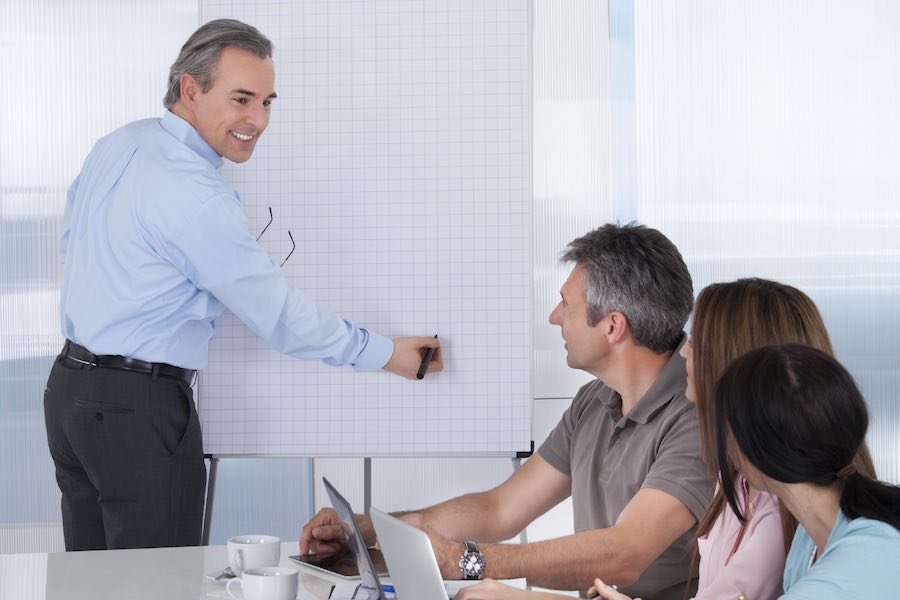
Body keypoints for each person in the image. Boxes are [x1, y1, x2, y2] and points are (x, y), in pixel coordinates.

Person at [43, 19, 442, 552]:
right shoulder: (195, 193)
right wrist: (386, 353)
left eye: (267, 101)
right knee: (160, 588)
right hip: (135, 409)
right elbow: (277, 315)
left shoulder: (120, 144)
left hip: (70, 390)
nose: (258, 119)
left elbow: (71, 244)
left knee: (90, 584)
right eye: (242, 99)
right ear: (191, 89)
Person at [302, 223, 714, 599]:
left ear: (612, 326)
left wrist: (465, 560)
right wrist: (370, 532)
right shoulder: (594, 401)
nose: (554, 319)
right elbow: (500, 509)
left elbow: (625, 554)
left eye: (565, 305)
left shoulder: (696, 418)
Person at [587, 278, 878, 600]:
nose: (683, 351)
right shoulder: (758, 498)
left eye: (696, 342)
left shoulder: (789, 519)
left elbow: (625, 552)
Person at [715, 345, 900, 596]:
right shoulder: (812, 536)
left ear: (760, 448)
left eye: (730, 431)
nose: (728, 446)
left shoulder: (852, 571)